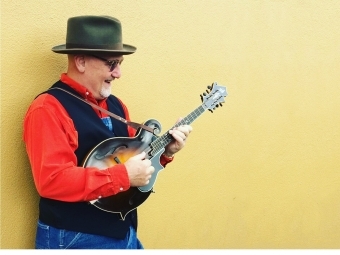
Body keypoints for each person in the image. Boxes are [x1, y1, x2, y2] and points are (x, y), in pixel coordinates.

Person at [23, 15, 192, 249]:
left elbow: (130, 163)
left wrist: (164, 152)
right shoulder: (48, 108)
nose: (118, 73)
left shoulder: (117, 105)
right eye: (112, 63)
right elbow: (52, 181)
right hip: (75, 238)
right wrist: (123, 176)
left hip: (124, 232)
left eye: (120, 63)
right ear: (80, 61)